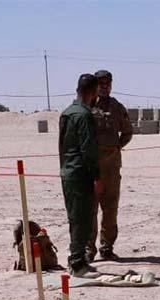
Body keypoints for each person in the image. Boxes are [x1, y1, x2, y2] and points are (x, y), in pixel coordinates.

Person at [87, 69, 133, 262]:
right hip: (91, 166)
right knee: (90, 208)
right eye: (101, 84)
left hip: (112, 167)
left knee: (110, 208)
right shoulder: (87, 106)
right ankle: (88, 249)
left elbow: (128, 132)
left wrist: (116, 147)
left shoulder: (117, 107)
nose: (105, 87)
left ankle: (107, 247)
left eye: (108, 83)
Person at [59, 74, 101, 277]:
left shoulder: (67, 113)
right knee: (82, 219)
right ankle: (77, 263)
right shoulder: (84, 115)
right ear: (93, 92)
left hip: (68, 171)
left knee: (76, 217)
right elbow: (88, 150)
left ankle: (79, 259)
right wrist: (97, 176)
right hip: (81, 174)